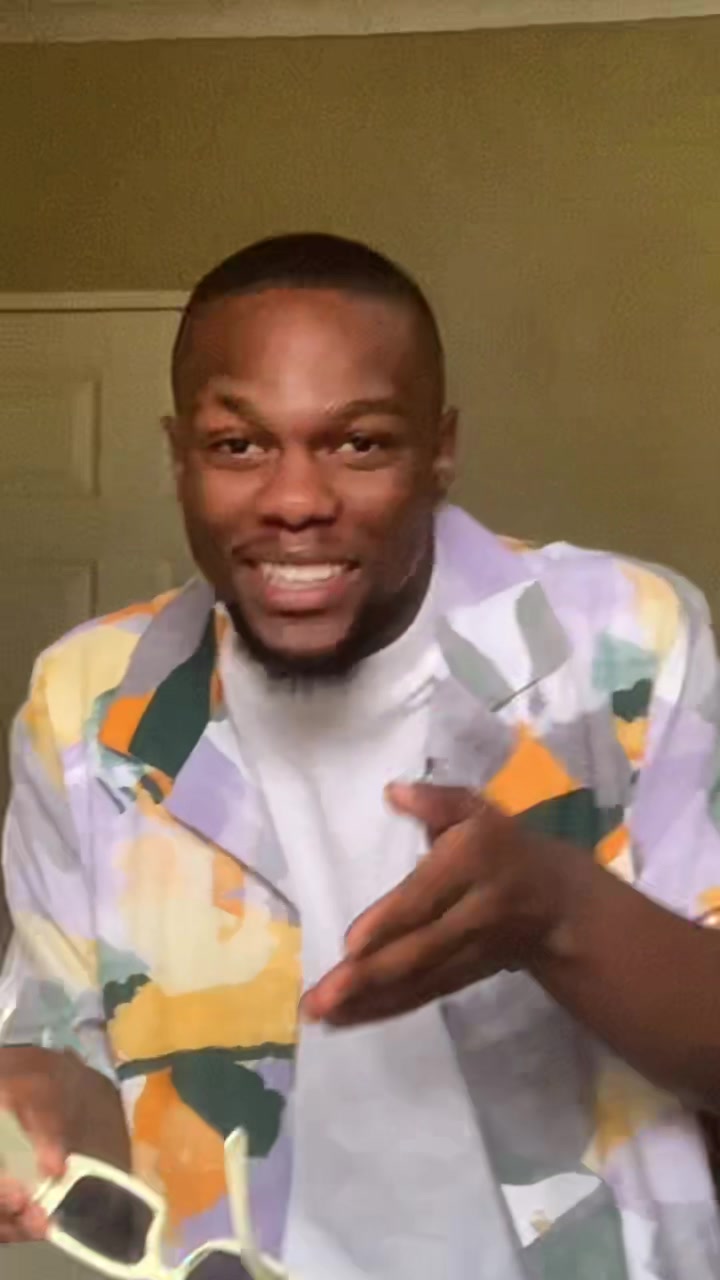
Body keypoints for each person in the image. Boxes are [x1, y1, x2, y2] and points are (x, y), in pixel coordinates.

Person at [0, 232, 719, 1280]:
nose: (296, 499)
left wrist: (559, 912)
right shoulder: (87, 701)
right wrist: (39, 1103)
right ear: (178, 454)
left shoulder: (626, 640)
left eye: (360, 443)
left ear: (441, 450)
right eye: (238, 445)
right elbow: (73, 1070)